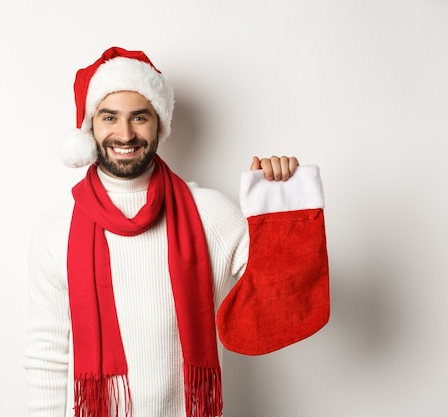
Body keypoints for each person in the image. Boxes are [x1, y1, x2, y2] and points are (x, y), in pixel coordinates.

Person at [24, 46, 329, 417]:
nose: (124, 134)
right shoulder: (56, 228)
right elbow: (47, 353)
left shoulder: (210, 213)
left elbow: (284, 297)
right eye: (109, 117)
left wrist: (281, 205)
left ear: (159, 124)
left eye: (139, 117)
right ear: (91, 127)